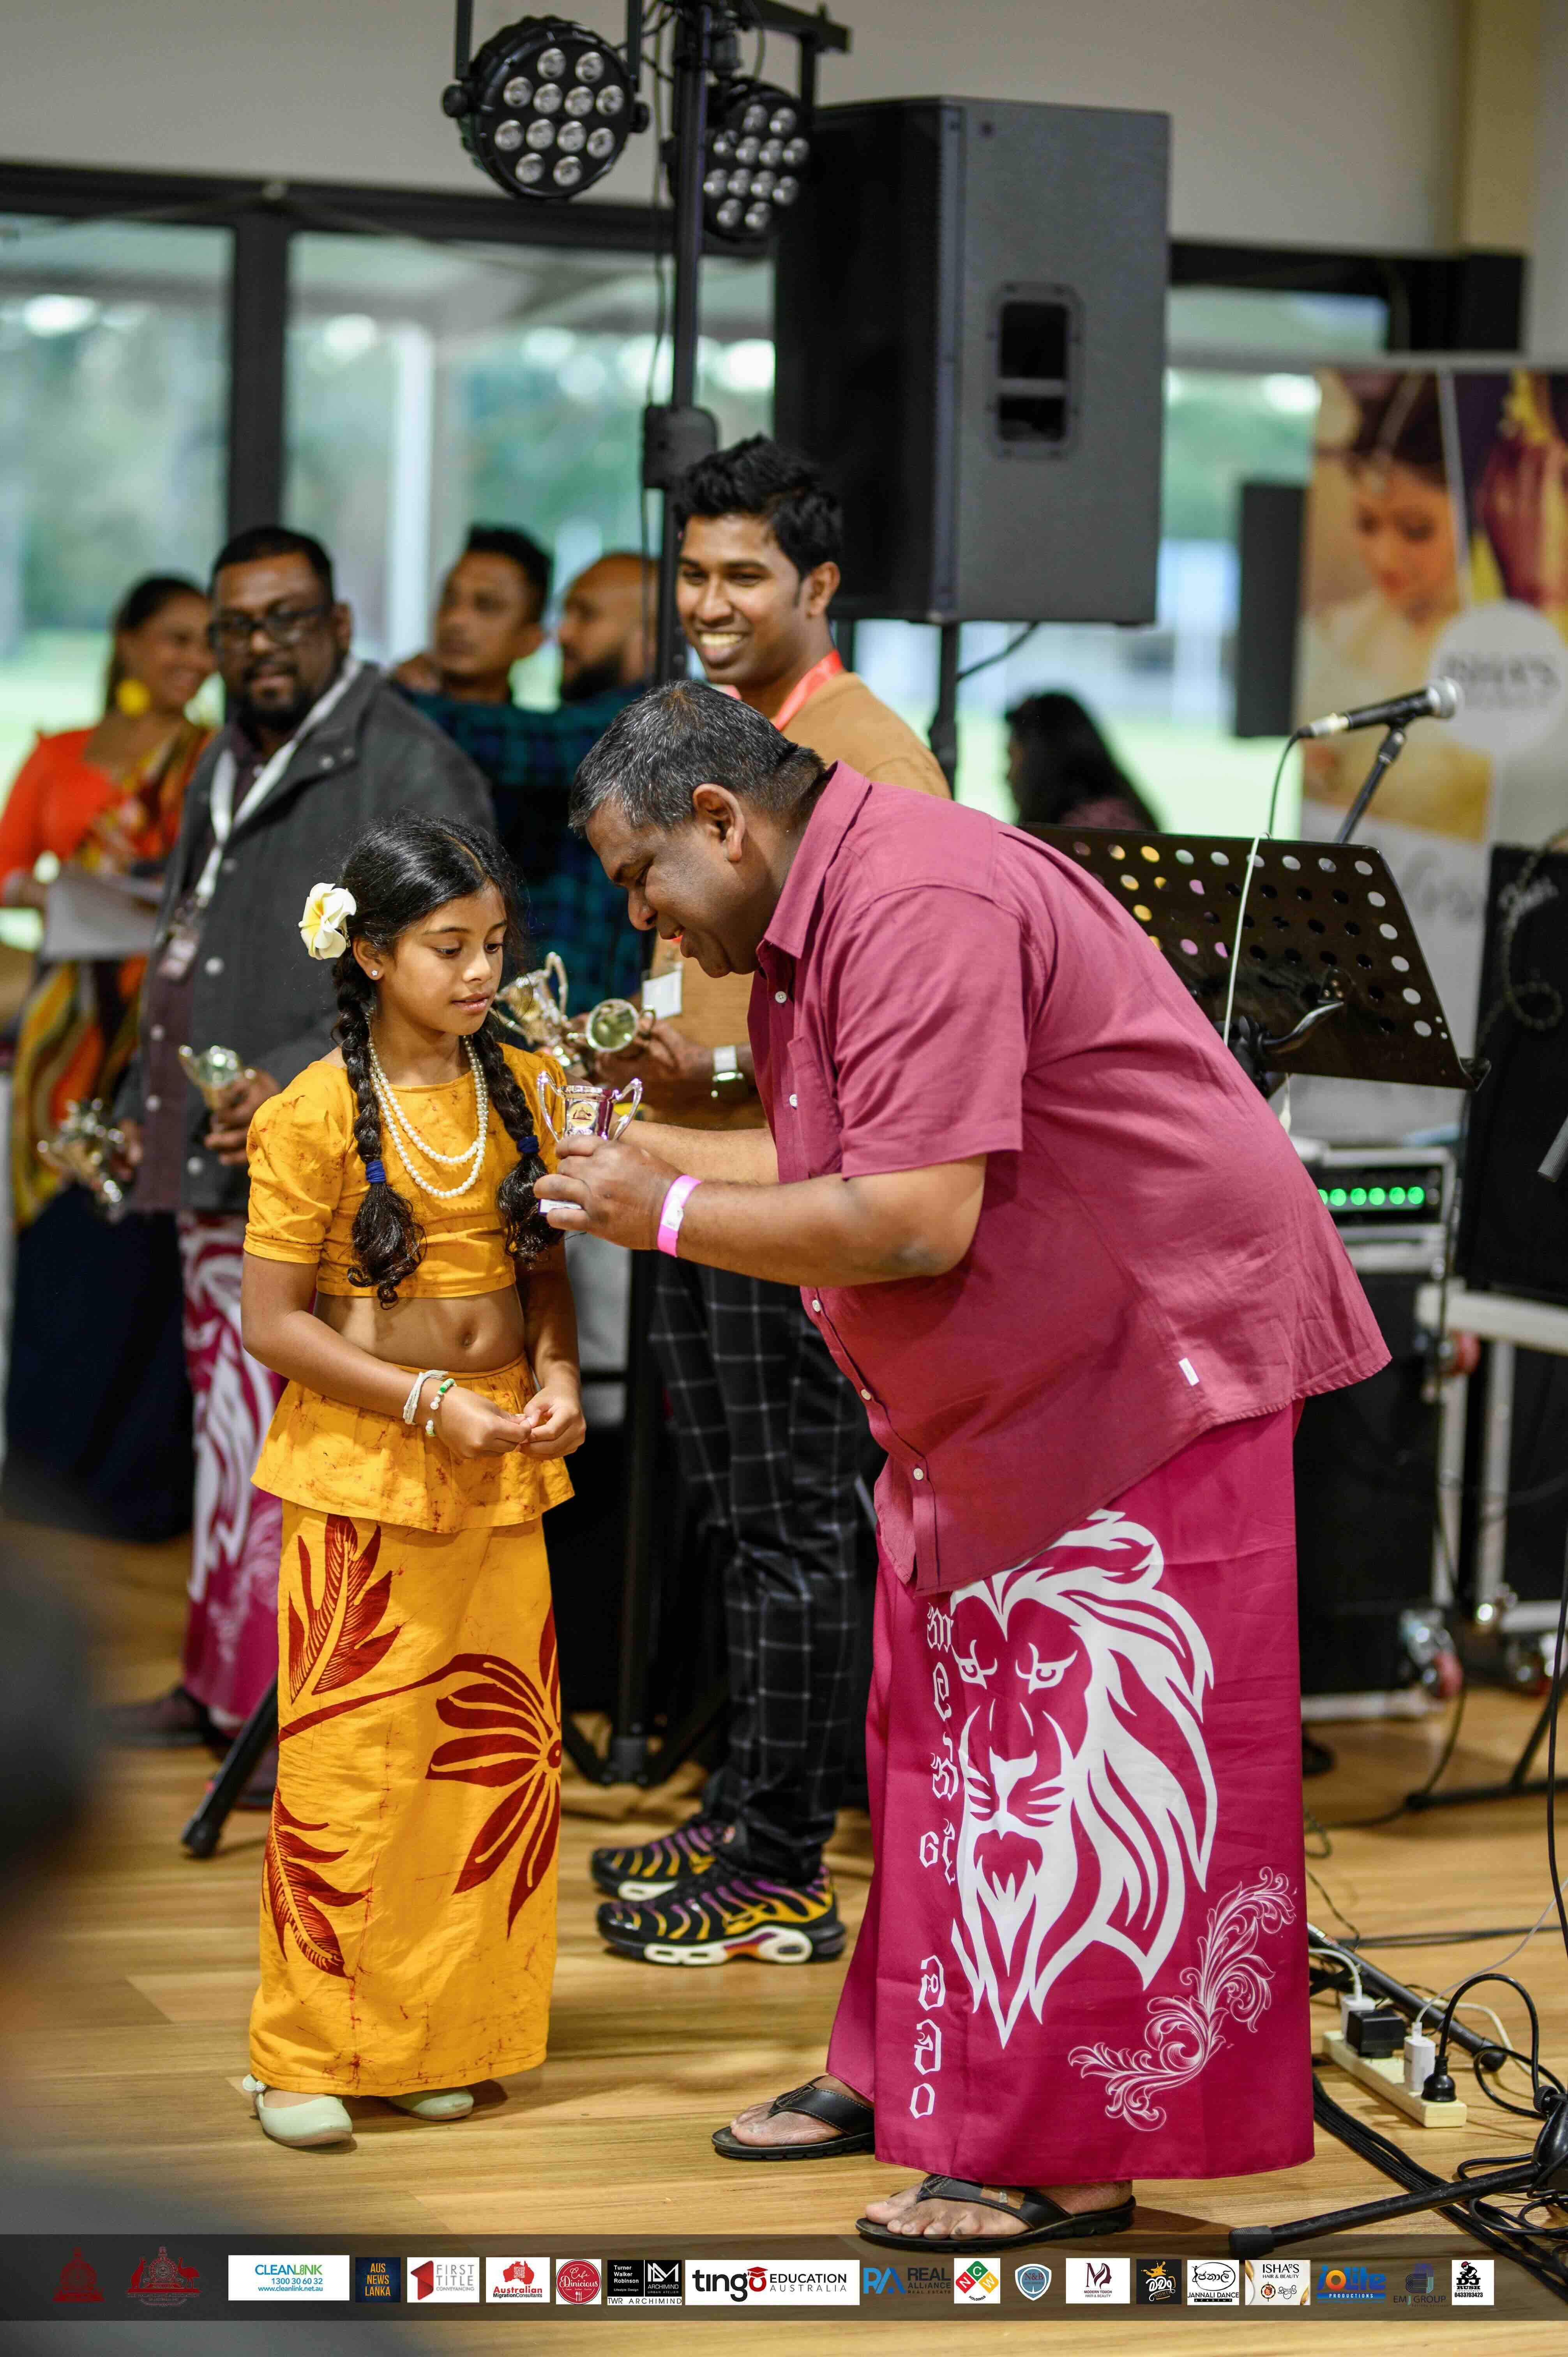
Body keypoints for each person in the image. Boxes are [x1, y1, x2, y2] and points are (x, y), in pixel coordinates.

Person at [540, 682, 1387, 2249]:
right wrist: (638, 1168)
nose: (640, 912)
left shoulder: (916, 893)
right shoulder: (834, 896)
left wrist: (653, 1209)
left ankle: (1063, 2148)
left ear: (723, 820)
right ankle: (912, 2065)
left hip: (1150, 1354)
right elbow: (829, 1166)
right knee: (935, 1732)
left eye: (643, 873)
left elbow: (911, 1218)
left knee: (1067, 1768)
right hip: (1031, 1361)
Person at [583, 438, 949, 1967]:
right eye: (694, 572)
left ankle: (789, 1856)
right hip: (698, 1164)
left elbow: (876, 1058)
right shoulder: (712, 732)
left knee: (797, 1522)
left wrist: (710, 1088)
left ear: (817, 585)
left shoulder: (867, 747)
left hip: (783, 1187)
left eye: (745, 574)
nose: (711, 601)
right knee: (747, 1520)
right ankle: (750, 1809)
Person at [106, 525, 493, 1767]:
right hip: (217, 1157)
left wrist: (295, 1081)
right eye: (236, 626)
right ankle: (222, 1690)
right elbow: (189, 944)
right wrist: (135, 1098)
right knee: (230, 1437)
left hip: (331, 1172)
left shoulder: (407, 768)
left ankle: (295, 1717)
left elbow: (451, 985)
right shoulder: (227, 754)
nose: (259, 646)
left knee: (301, 1450)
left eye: (287, 620)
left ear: (338, 627)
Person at [236, 811, 581, 2148]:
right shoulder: (310, 1110)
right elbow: (278, 1321)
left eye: (494, 943)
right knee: (353, 1766)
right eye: (449, 947)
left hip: (498, 1458)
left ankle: (431, 2035)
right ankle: (309, 2050)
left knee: (484, 1764)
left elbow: (547, 1271)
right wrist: (428, 1399)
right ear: (372, 952)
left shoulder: (527, 1084)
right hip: (370, 1461)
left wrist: (550, 1372)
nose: (482, 970)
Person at [2, 574, 214, 1539]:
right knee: (54, 1236)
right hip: (61, 1033)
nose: (191, 660)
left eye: (203, 644)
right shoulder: (56, 754)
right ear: (127, 644)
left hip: (161, 1028)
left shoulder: (210, 759)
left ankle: (132, 1490)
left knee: (136, 1246)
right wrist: (50, 892)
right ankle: (46, 1478)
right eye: (172, 639)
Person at [398, 549, 655, 1008]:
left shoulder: (640, 727)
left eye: (586, 615)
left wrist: (384, 698)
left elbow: (525, 742)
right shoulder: (557, 729)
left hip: (574, 1017)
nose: (564, 633)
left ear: (651, 638)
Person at [1296, 371, 1489, 841]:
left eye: (1416, 530)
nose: (1384, 557)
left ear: (1475, 516)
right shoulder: (1330, 635)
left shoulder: (1521, 648)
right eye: (1367, 524)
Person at [396, 523, 551, 708]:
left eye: (487, 606)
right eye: (449, 600)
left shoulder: (538, 734)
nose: (455, 620)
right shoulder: (389, 702)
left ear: (531, 641)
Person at [1005, 690, 1157, 833]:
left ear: (1039, 763)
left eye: (1012, 758)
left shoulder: (1083, 830)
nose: (1007, 776)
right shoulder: (1117, 813)